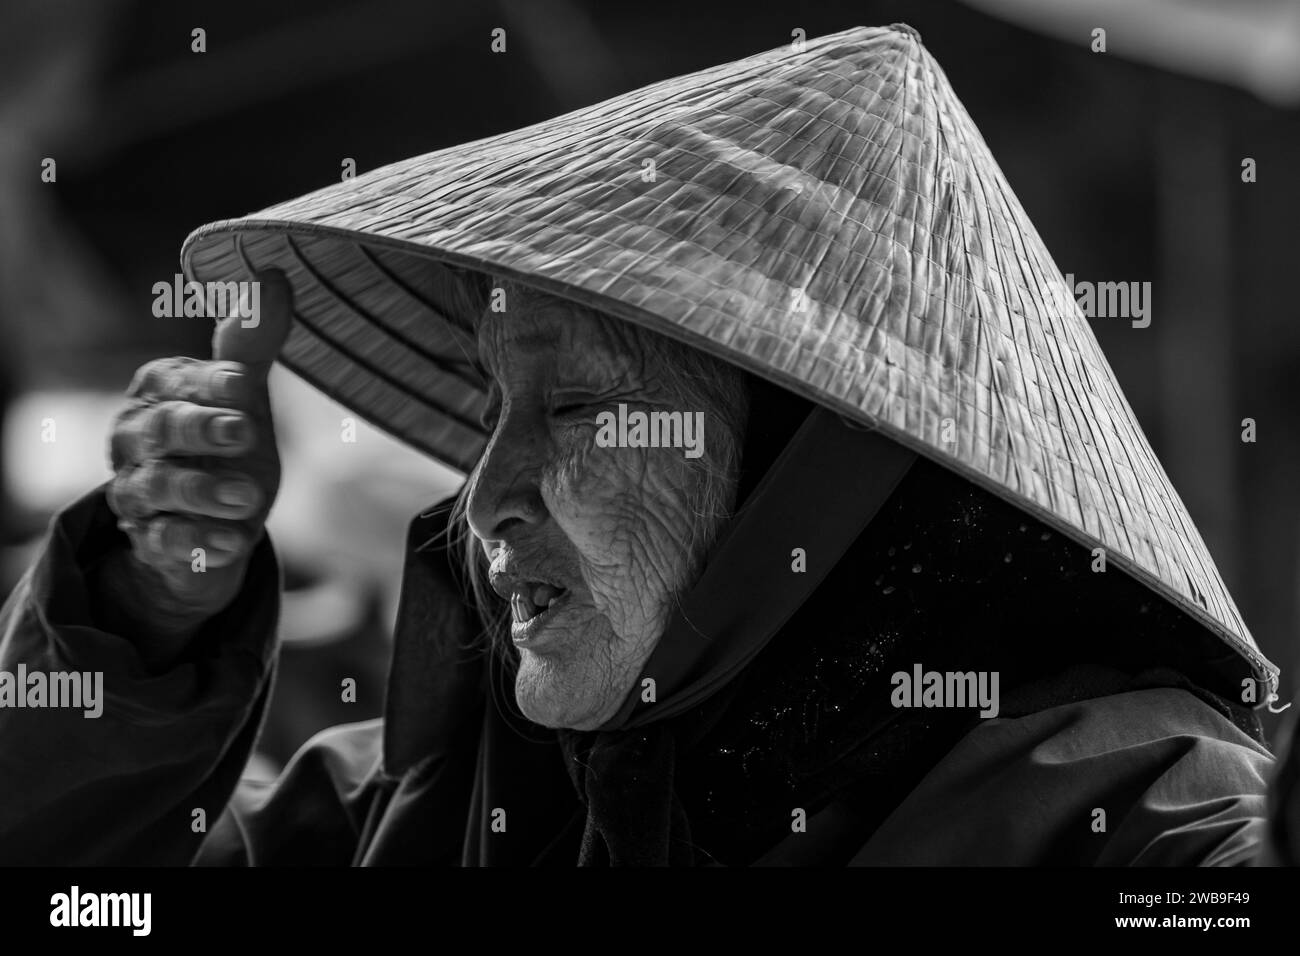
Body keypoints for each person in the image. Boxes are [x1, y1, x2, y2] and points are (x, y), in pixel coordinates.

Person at [0, 23, 1294, 866]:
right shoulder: (453, 808)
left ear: (802, 484)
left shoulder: (1138, 829)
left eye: (572, 411)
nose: (485, 497)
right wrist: (139, 621)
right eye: (492, 406)